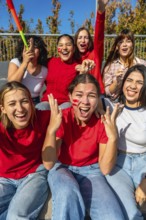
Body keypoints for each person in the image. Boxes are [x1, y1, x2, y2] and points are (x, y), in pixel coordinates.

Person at [42, 74, 125, 220]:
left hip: (92, 171)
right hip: (62, 167)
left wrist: (112, 138)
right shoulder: (63, 118)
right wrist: (51, 130)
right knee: (67, 192)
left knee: (112, 215)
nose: (85, 101)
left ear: (98, 99)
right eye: (79, 95)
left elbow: (105, 168)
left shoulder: (102, 122)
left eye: (92, 96)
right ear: (69, 96)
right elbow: (49, 164)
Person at [0, 81, 51, 220]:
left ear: (32, 102)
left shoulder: (42, 118)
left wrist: (99, 107)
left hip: (34, 174)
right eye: (12, 104)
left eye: (24, 101)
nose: (20, 108)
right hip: (4, 178)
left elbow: (75, 113)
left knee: (16, 216)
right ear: (3, 109)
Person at [105, 64, 146, 220]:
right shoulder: (110, 106)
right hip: (117, 164)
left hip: (143, 162)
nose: (133, 86)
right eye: (129, 80)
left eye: (139, 82)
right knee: (129, 213)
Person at [35, 34, 94, 110]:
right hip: (48, 102)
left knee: (63, 113)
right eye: (61, 45)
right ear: (57, 48)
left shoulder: (78, 67)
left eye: (68, 45)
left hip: (66, 103)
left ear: (73, 48)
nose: (64, 48)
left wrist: (83, 73)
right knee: (38, 109)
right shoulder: (49, 62)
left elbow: (81, 89)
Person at [74, 0, 109, 95]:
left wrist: (100, 11)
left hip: (97, 94)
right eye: (80, 37)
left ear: (89, 41)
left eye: (86, 37)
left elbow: (99, 36)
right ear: (75, 41)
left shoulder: (95, 54)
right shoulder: (72, 59)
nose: (83, 40)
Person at [103, 29, 146, 103]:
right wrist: (116, 82)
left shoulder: (142, 64)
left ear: (132, 45)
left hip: (138, 103)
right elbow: (107, 91)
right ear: (117, 46)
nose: (124, 44)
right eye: (121, 42)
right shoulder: (110, 66)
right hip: (116, 103)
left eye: (128, 41)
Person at [7, 35, 48, 105]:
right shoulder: (16, 62)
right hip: (16, 100)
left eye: (35, 47)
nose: (31, 49)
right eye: (27, 46)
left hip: (35, 102)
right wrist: (25, 62)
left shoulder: (44, 70)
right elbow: (12, 84)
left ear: (40, 51)